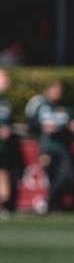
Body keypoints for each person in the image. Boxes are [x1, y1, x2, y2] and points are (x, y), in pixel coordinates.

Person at [25, 79, 74, 213]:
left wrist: (72, 126)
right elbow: (31, 125)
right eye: (54, 90)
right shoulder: (40, 105)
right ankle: (52, 204)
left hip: (63, 148)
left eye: (59, 91)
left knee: (65, 175)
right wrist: (42, 127)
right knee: (51, 176)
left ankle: (51, 202)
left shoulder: (65, 107)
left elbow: (71, 123)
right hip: (47, 147)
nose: (57, 93)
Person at [0, 69, 14, 218]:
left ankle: (4, 205)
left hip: (2, 146)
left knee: (3, 173)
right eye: (3, 79)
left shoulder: (5, 102)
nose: (6, 82)